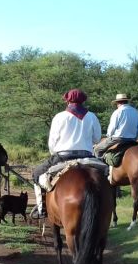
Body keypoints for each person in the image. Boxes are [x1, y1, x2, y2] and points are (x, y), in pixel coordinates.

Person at [31, 88, 102, 218]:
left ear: (68, 101)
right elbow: (97, 138)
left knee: (37, 174)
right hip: (87, 156)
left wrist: (54, 153)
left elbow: (52, 143)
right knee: (107, 174)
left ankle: (41, 209)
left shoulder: (59, 117)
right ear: (83, 101)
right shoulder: (92, 116)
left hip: (62, 156)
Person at [93, 93, 138, 158]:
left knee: (97, 149)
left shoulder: (118, 112)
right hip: (132, 139)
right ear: (126, 101)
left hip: (118, 139)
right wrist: (135, 138)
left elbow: (112, 128)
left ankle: (103, 166)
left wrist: (109, 136)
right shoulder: (135, 111)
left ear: (118, 103)